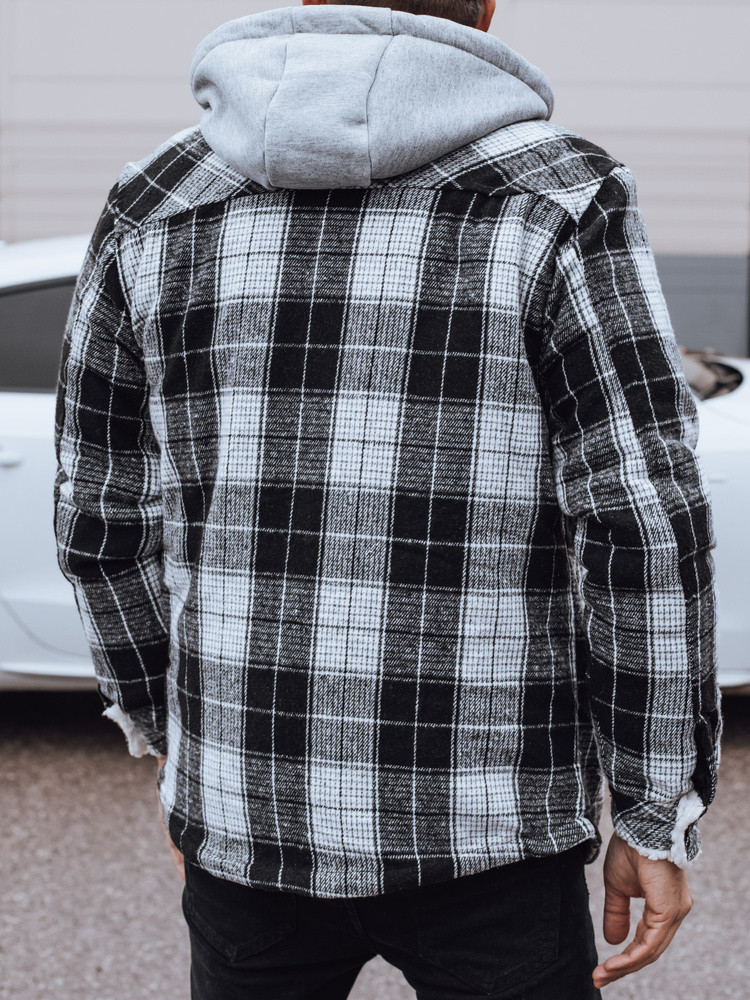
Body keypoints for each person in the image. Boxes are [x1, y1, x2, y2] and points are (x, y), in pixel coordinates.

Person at [53, 1, 721, 997]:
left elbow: (100, 518)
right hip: (493, 826)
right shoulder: (563, 194)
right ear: (484, 8)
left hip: (246, 816)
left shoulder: (154, 199)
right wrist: (654, 807)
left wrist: (174, 742)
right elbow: (642, 521)